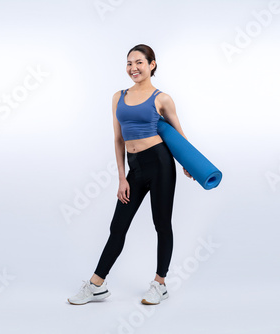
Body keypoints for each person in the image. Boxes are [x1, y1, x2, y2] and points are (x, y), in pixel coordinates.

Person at [68, 44, 192, 305]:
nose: (133, 68)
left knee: (162, 224)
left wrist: (188, 163)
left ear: (152, 65)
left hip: (160, 164)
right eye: (129, 63)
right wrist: (122, 177)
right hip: (134, 168)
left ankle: (160, 284)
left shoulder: (162, 98)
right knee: (118, 227)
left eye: (139, 62)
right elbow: (117, 138)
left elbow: (179, 134)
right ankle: (96, 285)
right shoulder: (119, 96)